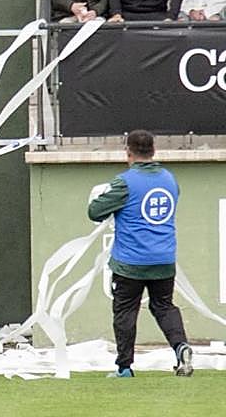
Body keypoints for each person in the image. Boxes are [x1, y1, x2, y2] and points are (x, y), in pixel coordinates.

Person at [88, 129, 194, 378]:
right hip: (164, 259)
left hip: (130, 262)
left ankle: (125, 367)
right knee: (164, 307)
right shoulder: (169, 179)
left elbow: (95, 212)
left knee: (125, 311)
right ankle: (181, 347)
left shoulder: (124, 182)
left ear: (128, 152)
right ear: (154, 151)